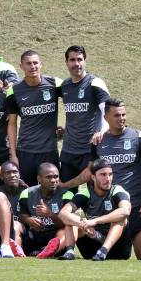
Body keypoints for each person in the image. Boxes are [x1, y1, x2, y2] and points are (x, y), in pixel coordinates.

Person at [60, 98, 141, 259]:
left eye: (124, 114)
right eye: (117, 115)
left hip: (137, 207)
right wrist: (65, 185)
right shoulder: (98, 141)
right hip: (106, 210)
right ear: (106, 118)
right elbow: (90, 172)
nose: (122, 118)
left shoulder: (140, 138)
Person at [6, 50, 63, 186]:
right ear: (21, 66)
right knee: (27, 190)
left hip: (49, 151)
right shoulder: (13, 91)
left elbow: (73, 104)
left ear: (41, 64)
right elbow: (12, 124)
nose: (33, 66)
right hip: (25, 152)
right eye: (28, 63)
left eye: (35, 63)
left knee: (51, 190)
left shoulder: (55, 84)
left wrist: (67, 128)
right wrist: (13, 155)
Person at [58, 159, 132, 260]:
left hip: (117, 249)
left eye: (110, 174)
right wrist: (83, 224)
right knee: (70, 217)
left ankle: (103, 251)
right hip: (92, 246)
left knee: (121, 218)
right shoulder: (86, 193)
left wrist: (94, 221)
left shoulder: (117, 190)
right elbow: (63, 213)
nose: (108, 179)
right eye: (103, 175)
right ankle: (70, 251)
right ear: (93, 177)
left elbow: (125, 211)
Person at [59, 45, 110, 182]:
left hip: (90, 150)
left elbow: (109, 112)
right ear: (66, 63)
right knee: (66, 192)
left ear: (85, 61)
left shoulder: (95, 83)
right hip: (68, 150)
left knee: (94, 194)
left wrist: (102, 131)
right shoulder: (65, 86)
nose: (76, 63)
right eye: (72, 60)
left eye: (80, 59)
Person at [18, 163, 73, 258]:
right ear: (39, 179)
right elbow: (21, 215)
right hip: (33, 236)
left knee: (65, 229)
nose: (53, 180)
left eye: (56, 177)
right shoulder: (26, 193)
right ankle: (17, 251)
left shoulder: (67, 195)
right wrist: (28, 220)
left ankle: (48, 252)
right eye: (48, 177)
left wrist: (50, 214)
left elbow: (67, 224)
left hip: (55, 236)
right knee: (16, 225)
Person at [0, 160, 26, 245]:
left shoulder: (27, 191)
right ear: (1, 176)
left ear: (19, 174)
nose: (12, 175)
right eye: (8, 173)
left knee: (16, 226)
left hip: (21, 229)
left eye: (15, 172)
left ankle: (15, 251)